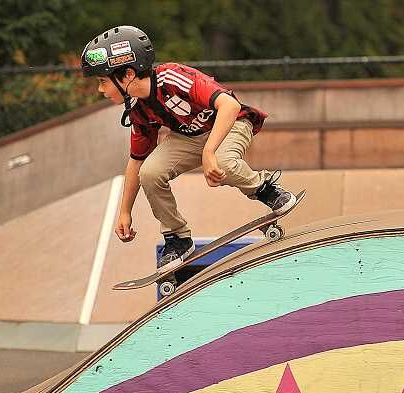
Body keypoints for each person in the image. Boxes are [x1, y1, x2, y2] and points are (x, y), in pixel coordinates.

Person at [80, 25, 295, 272]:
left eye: (102, 81)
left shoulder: (172, 77)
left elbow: (229, 106)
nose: (100, 90)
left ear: (128, 75)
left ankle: (265, 189)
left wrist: (209, 151)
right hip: (188, 137)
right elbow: (136, 160)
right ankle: (178, 239)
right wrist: (124, 212)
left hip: (230, 124)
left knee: (223, 162)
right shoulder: (138, 108)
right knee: (150, 172)